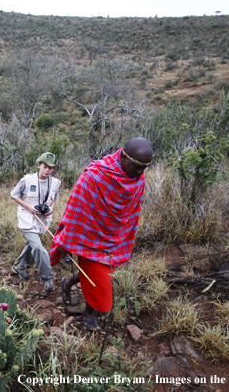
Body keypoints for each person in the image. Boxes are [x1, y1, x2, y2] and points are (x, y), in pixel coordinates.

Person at [52, 137, 153, 331]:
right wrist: (67, 239)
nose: (141, 172)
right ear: (124, 157)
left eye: (145, 168)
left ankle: (68, 282)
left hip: (114, 235)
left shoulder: (137, 177)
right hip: (89, 236)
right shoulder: (96, 175)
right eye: (137, 166)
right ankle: (89, 314)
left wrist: (123, 233)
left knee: (97, 272)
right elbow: (75, 206)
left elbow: (131, 210)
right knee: (100, 279)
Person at [10, 152, 61, 293]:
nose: (47, 170)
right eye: (45, 167)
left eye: (51, 168)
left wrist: (51, 208)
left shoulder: (56, 182)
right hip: (27, 218)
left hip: (43, 220)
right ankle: (47, 278)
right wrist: (28, 207)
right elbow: (13, 194)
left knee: (32, 244)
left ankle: (19, 266)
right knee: (38, 248)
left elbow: (54, 198)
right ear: (39, 165)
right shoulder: (27, 180)